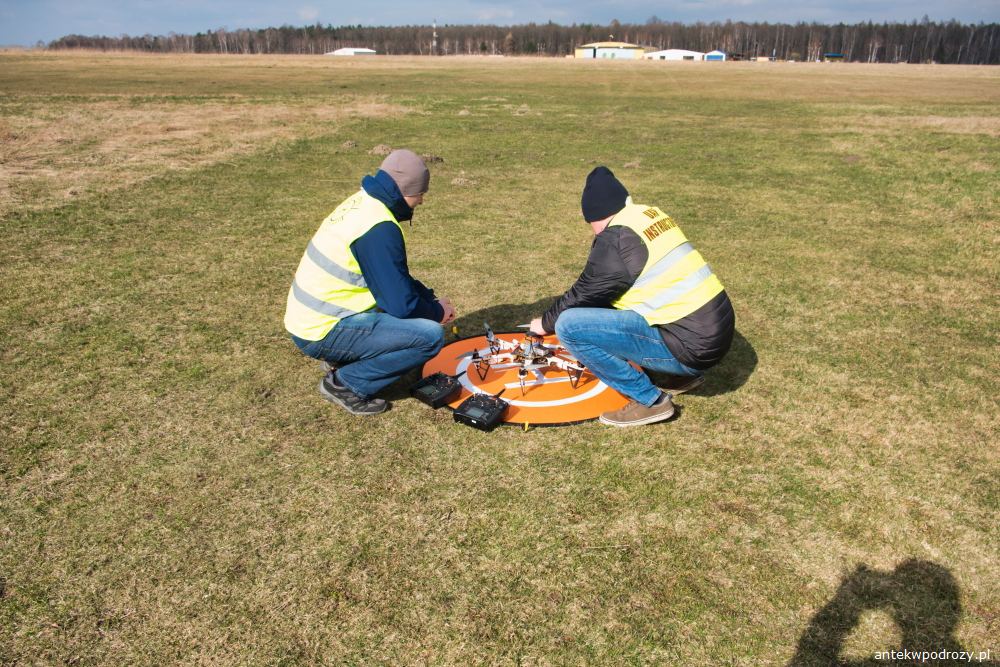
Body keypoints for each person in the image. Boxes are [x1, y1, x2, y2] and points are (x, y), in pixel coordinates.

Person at [529, 166, 734, 427]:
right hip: (710, 335)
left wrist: (544, 323)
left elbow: (586, 292)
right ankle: (675, 377)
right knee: (613, 306)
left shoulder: (616, 238)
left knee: (568, 326)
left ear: (596, 214)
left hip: (691, 347)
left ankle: (650, 400)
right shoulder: (648, 214)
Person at [284, 149, 456, 415]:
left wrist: (430, 299)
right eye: (421, 193)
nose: (421, 200)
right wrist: (436, 313)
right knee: (430, 337)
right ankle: (347, 383)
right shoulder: (379, 228)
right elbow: (401, 304)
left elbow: (393, 278)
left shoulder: (365, 203)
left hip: (310, 319)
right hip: (321, 330)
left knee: (408, 317)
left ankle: (343, 357)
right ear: (405, 190)